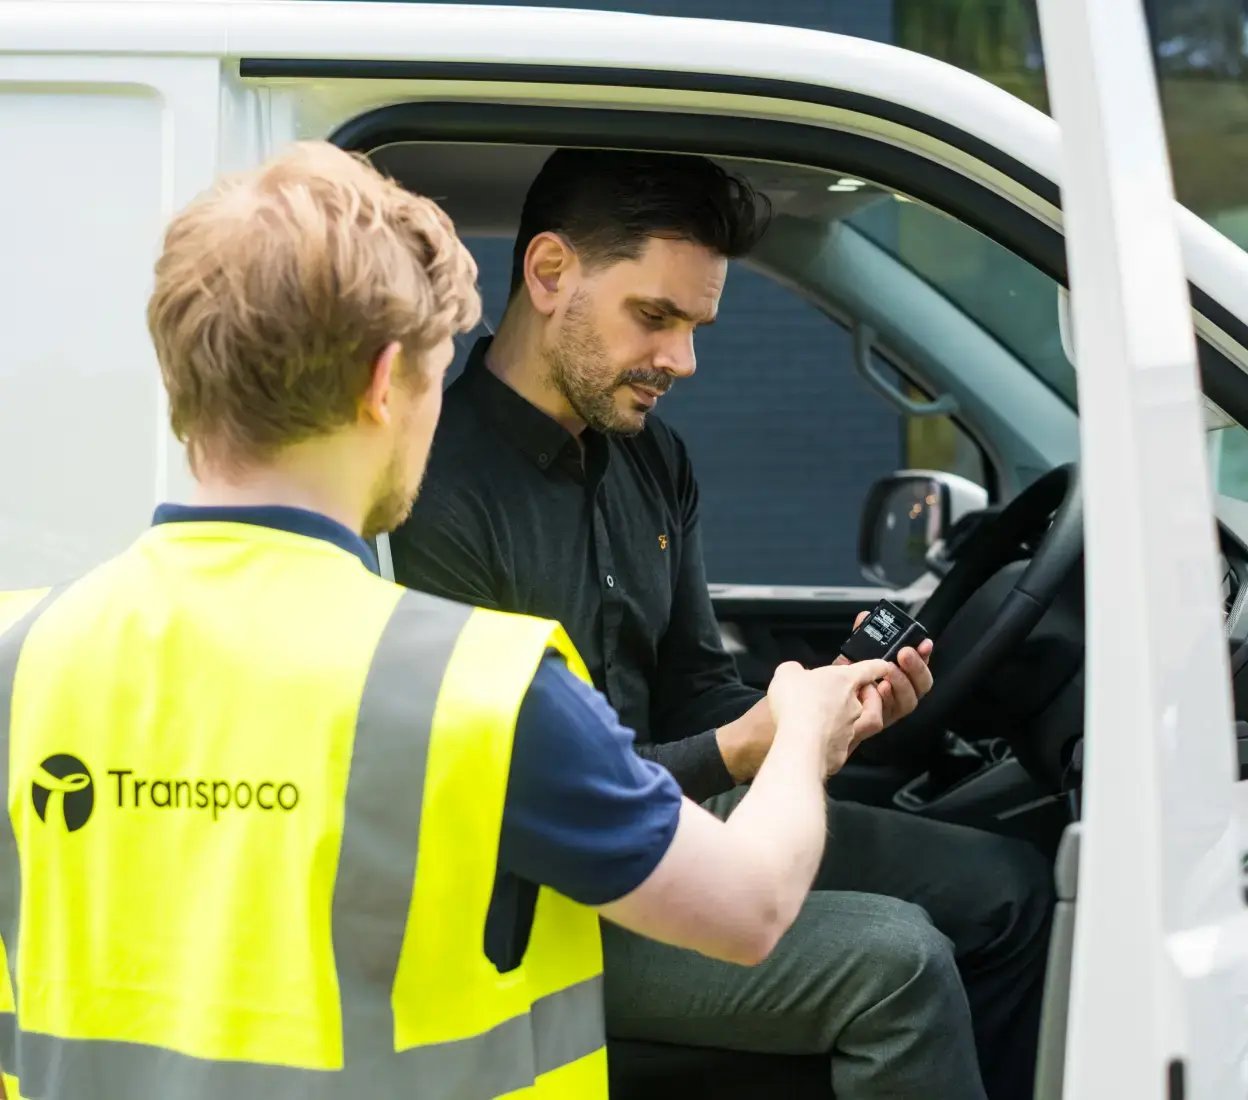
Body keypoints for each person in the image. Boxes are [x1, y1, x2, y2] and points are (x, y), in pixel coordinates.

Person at [0, 142, 901, 1100]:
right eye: (437, 376)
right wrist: (799, 733)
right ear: (388, 383)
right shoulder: (475, 692)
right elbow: (753, 906)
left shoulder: (24, 657)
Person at [391, 148, 1055, 1100]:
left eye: (697, 325)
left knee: (1008, 887)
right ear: (548, 274)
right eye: (654, 318)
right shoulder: (438, 493)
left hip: (688, 821)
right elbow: (511, 803)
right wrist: (744, 749)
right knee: (896, 963)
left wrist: (824, 713)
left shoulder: (650, 455)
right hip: (553, 896)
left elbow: (698, 685)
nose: (682, 362)